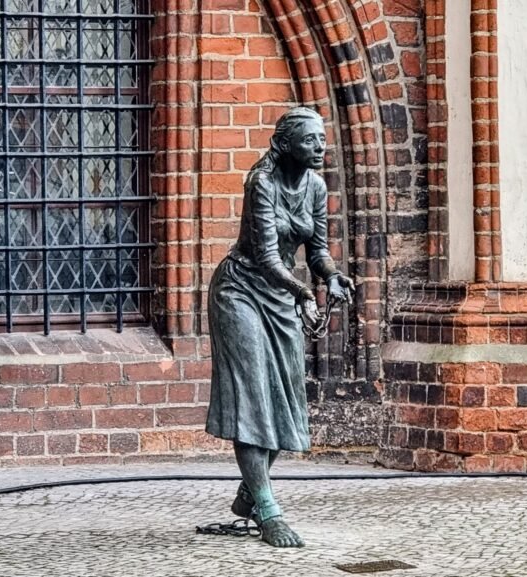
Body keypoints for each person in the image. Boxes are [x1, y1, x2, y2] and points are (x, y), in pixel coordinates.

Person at [205, 107, 354, 548]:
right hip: (241, 292)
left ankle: (250, 491)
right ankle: (269, 511)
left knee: (286, 396)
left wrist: (329, 276)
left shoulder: (316, 186)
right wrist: (306, 294)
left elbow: (317, 250)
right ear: (283, 144)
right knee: (254, 399)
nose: (320, 147)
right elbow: (268, 258)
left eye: (322, 139)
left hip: (281, 292)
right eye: (310, 140)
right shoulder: (261, 182)